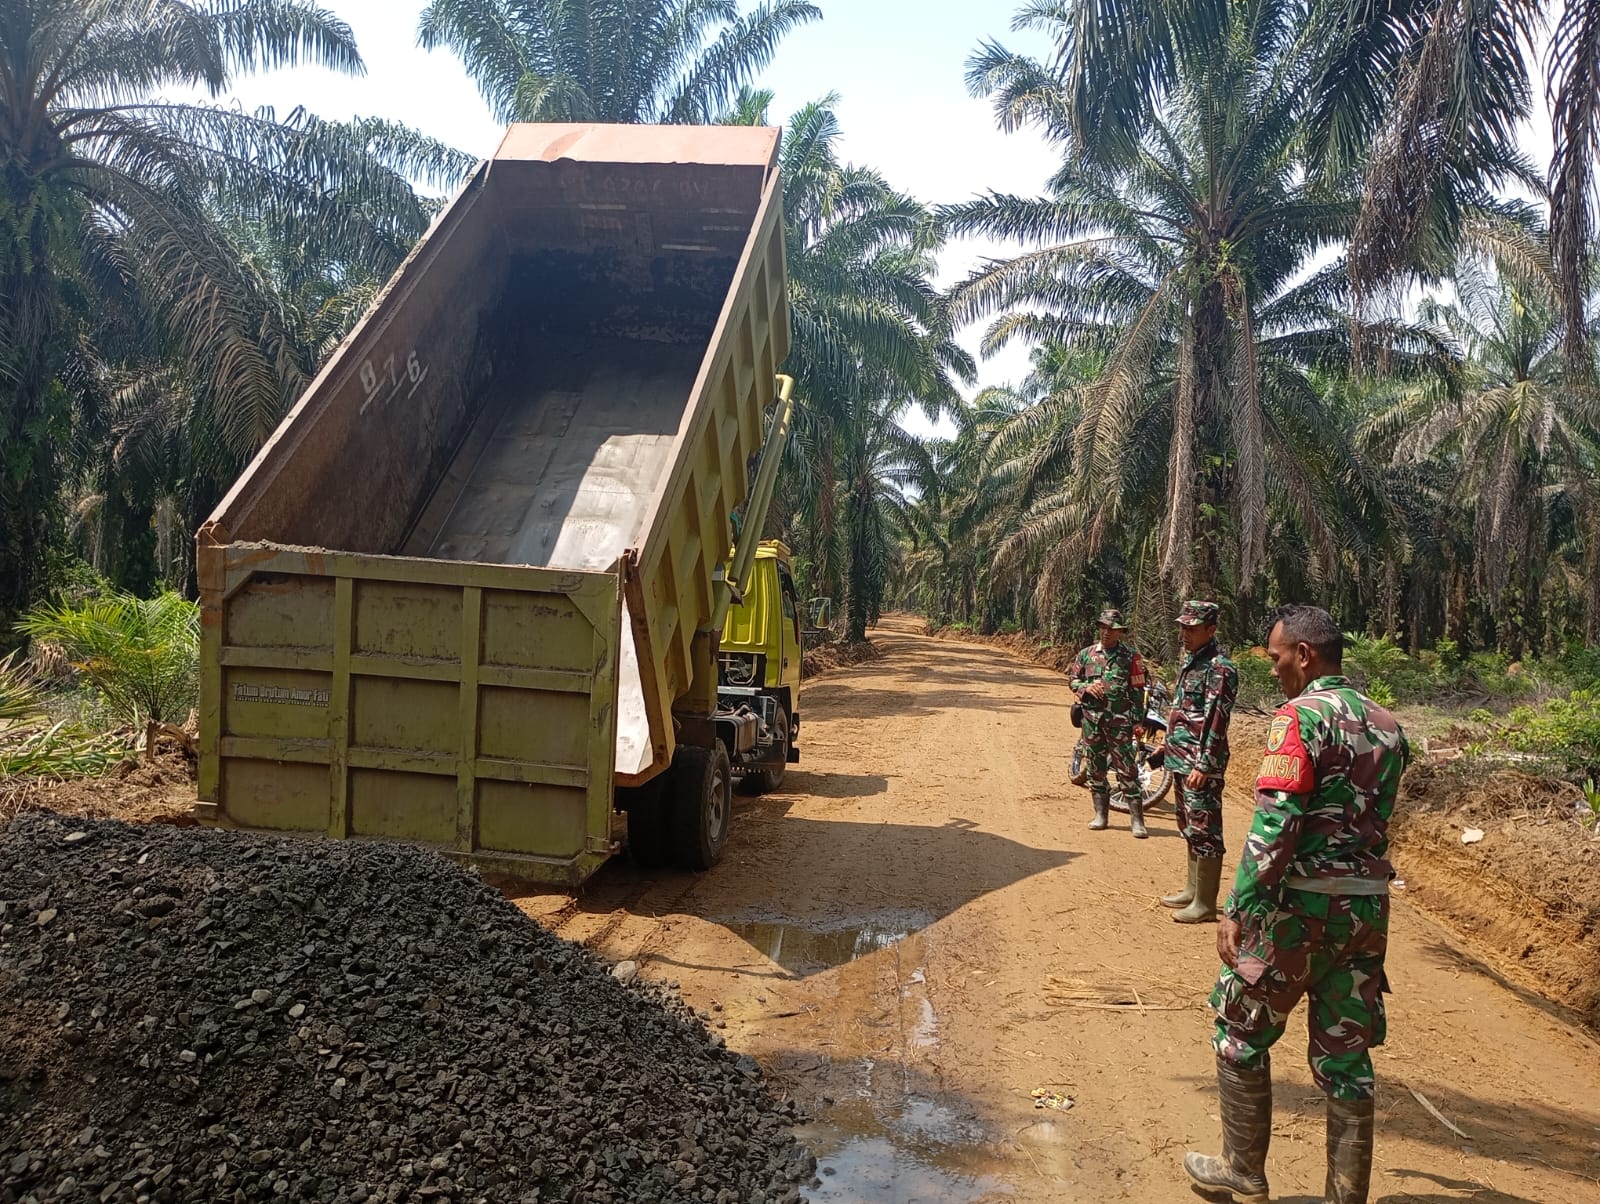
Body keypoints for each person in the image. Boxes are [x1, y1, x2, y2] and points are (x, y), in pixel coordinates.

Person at [1184, 605, 1410, 1204]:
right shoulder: (1387, 723)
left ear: (1304, 655)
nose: (1273, 668)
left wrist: (1238, 906)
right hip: (1365, 914)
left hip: (1297, 912)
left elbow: (1275, 827)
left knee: (1240, 1029)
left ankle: (1242, 1171)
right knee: (1347, 1056)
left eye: (1276, 657)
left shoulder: (1298, 719)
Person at [1160, 600, 1239, 924]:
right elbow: (1182, 712)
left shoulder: (1220, 668)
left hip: (1200, 764)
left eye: (1192, 629)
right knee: (1189, 825)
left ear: (1211, 630)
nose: (1184, 634)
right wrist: (1166, 746)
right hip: (1182, 758)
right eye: (1182, 627)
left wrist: (1204, 765)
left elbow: (1216, 721)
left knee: (1205, 829)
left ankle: (1205, 903)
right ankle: (1192, 889)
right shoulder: (1192, 662)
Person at [1068, 607, 1149, 837]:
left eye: (1111, 629)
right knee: (1095, 769)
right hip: (1092, 721)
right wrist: (1085, 688)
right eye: (1103, 627)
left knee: (1127, 770)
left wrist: (1138, 722)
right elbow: (1072, 679)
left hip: (1120, 723)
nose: (1106, 632)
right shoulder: (1086, 654)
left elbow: (1137, 691)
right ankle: (1101, 815)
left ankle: (1137, 821)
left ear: (1120, 632)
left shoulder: (1131, 657)